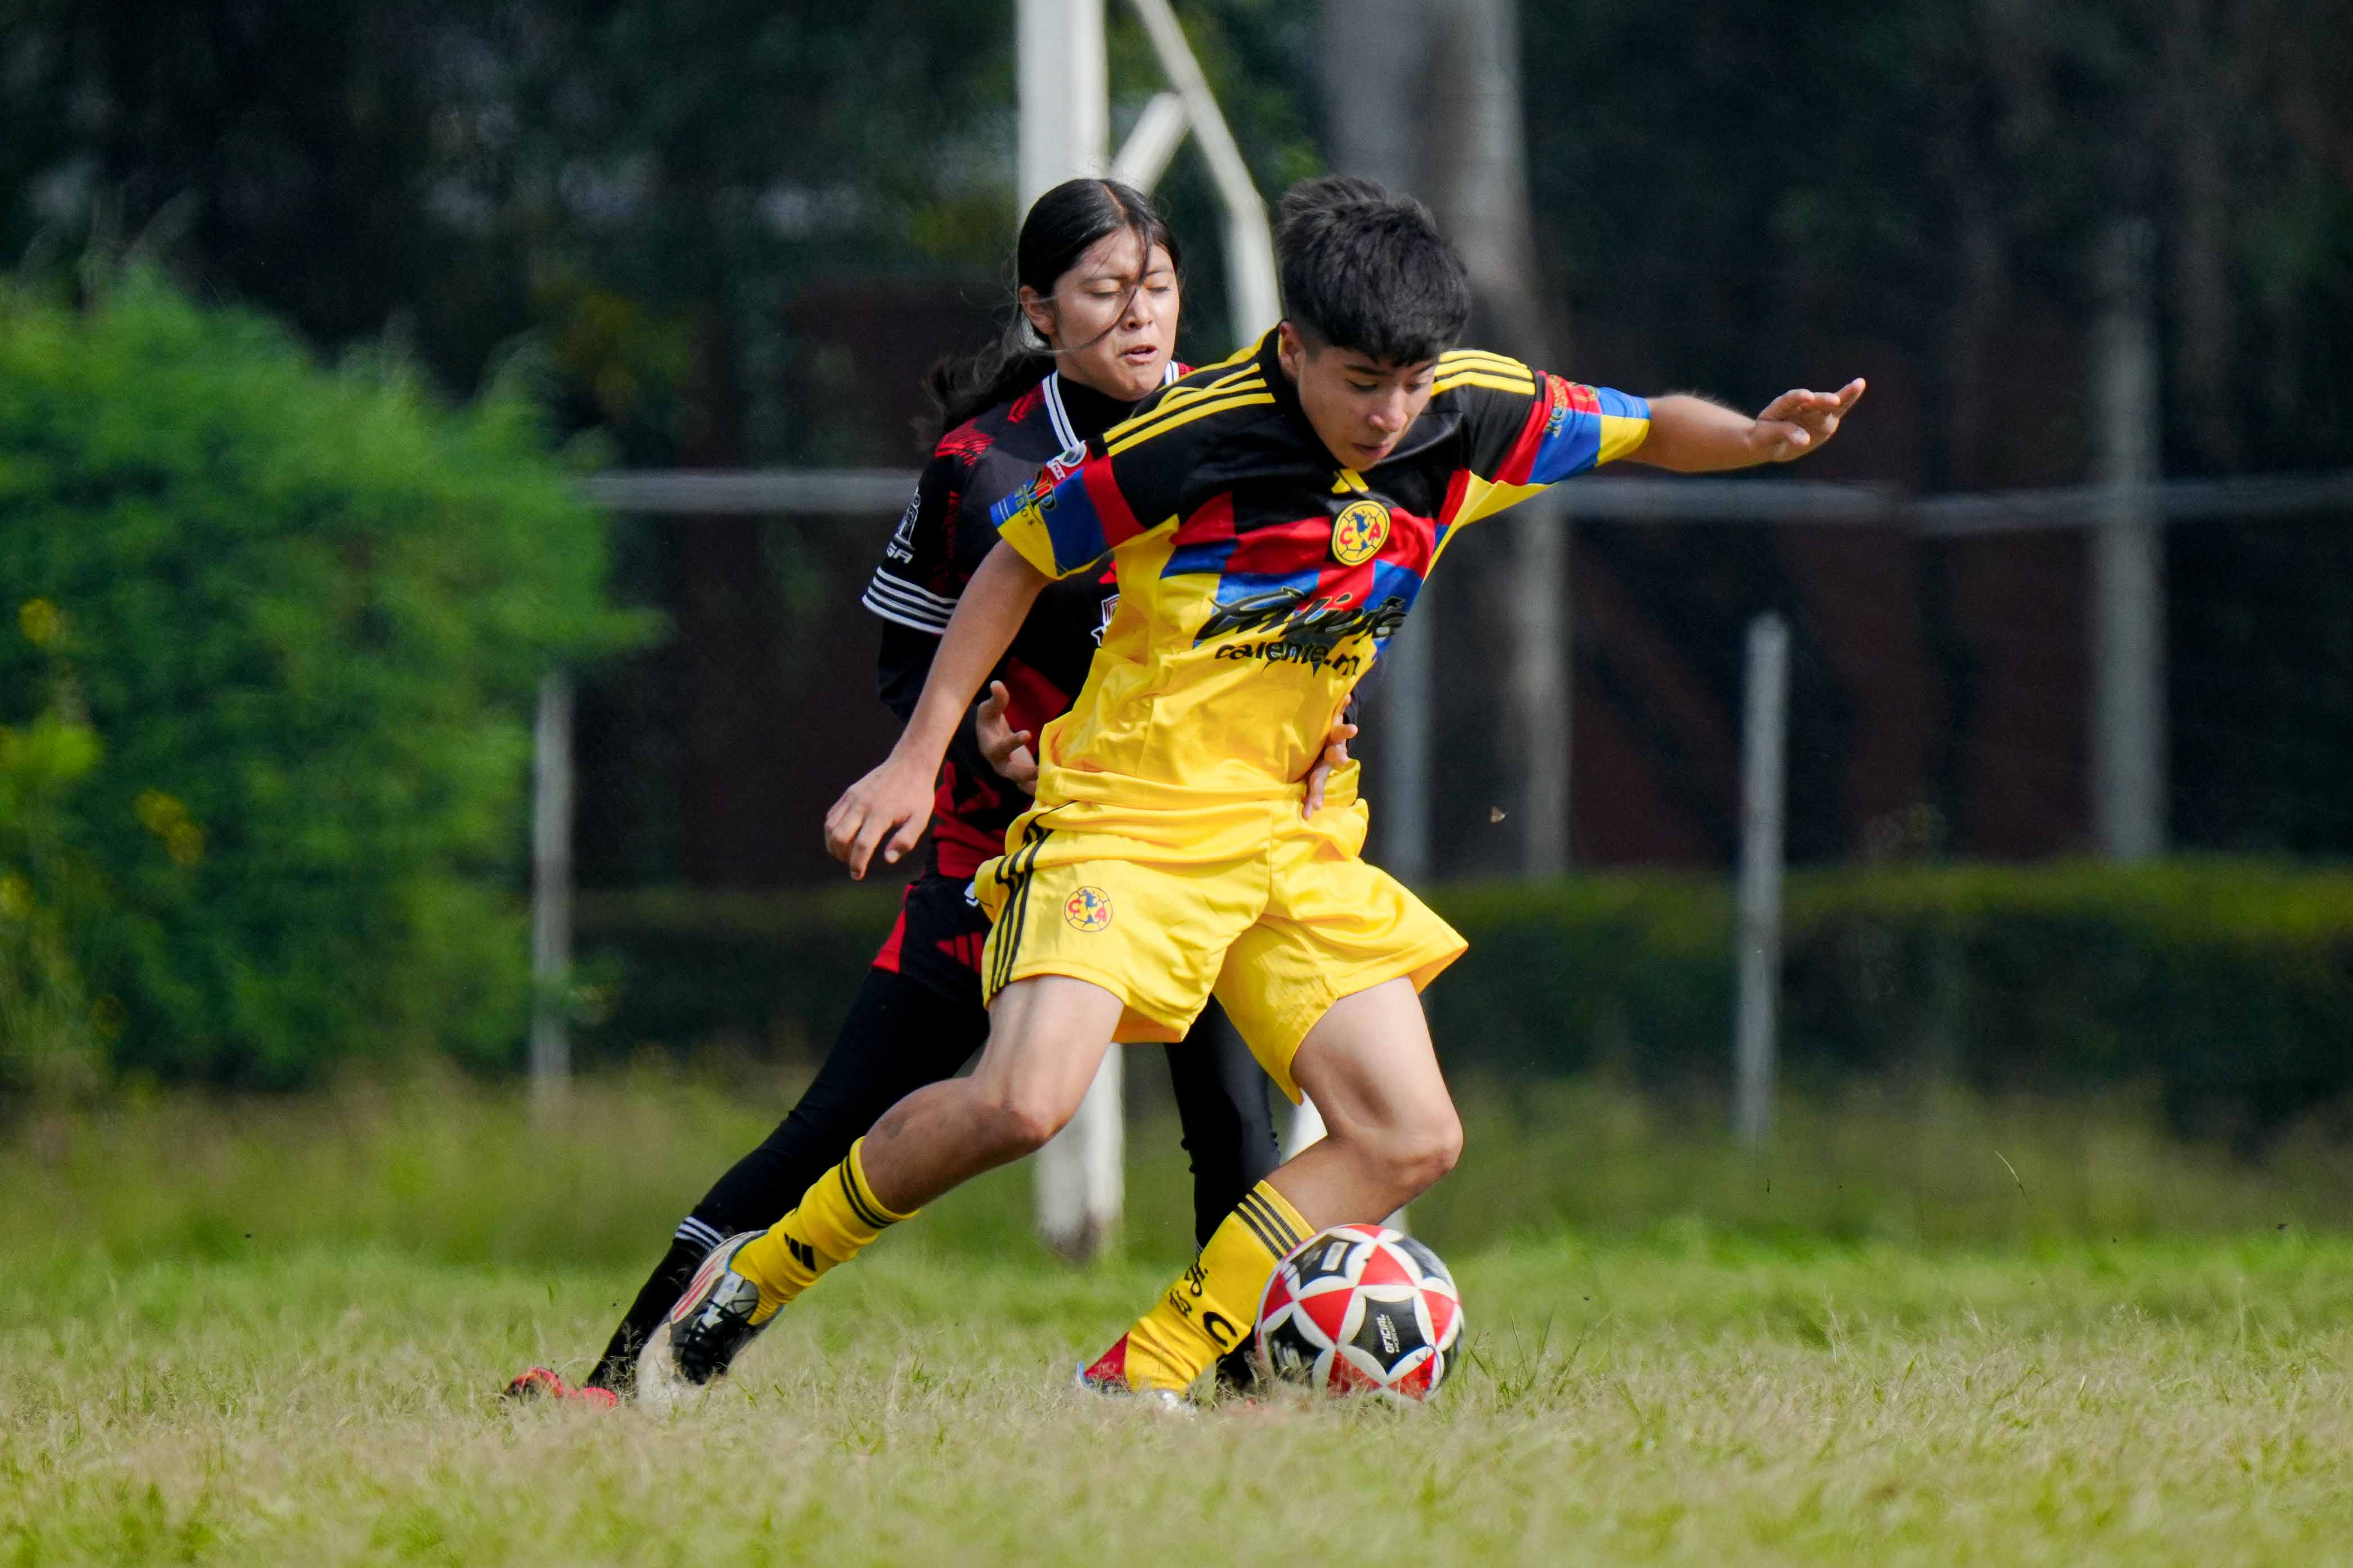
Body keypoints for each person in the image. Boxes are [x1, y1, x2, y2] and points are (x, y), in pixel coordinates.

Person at [656, 174, 1864, 1399]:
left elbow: (1651, 423)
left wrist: (1759, 440)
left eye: (1411, 381)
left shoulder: (1472, 409)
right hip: (1124, 826)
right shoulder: (1190, 438)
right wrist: (919, 759)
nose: (1391, 414)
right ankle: (760, 1275)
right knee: (1023, 1106)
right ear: (1291, 348)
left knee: (1409, 1135)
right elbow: (1014, 565)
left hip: (1289, 836)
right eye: (1359, 382)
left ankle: (1145, 1374)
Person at [502, 177, 1327, 1406]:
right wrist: (964, 751)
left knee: (1233, 1126)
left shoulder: (1234, 434)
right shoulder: (983, 467)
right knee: (828, 1131)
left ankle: (1251, 1397)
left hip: (1174, 844)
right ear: (1040, 313)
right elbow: (911, 655)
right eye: (1105, 293)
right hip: (1000, 863)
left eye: (1156, 289)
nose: (1140, 317)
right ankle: (620, 1385)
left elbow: (1302, 621)